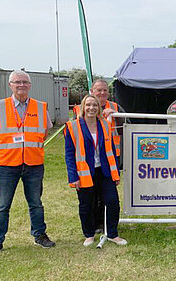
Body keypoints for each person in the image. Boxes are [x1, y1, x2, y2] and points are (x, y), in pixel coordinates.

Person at [0, 70, 55, 257]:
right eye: (17, 82)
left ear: (30, 85)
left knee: (36, 203)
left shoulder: (41, 107)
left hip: (33, 164)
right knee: (1, 205)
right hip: (6, 165)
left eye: (25, 82)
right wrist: (2, 151)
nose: (21, 85)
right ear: (10, 85)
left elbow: (44, 132)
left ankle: (40, 235)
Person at [65, 95, 127, 246]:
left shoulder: (105, 125)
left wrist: (115, 173)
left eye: (95, 105)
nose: (91, 108)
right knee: (87, 204)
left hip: (104, 172)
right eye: (88, 105)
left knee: (112, 202)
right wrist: (73, 177)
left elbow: (111, 150)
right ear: (82, 107)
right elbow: (69, 154)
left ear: (99, 108)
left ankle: (112, 234)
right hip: (84, 173)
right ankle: (89, 234)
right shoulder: (72, 126)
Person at [73, 79, 122, 233]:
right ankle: (92, 225)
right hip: (87, 160)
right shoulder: (79, 108)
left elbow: (126, 124)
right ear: (92, 91)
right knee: (90, 195)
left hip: (111, 157)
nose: (102, 93)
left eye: (105, 90)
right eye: (98, 90)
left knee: (108, 195)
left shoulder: (114, 107)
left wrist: (116, 115)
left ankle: (104, 224)